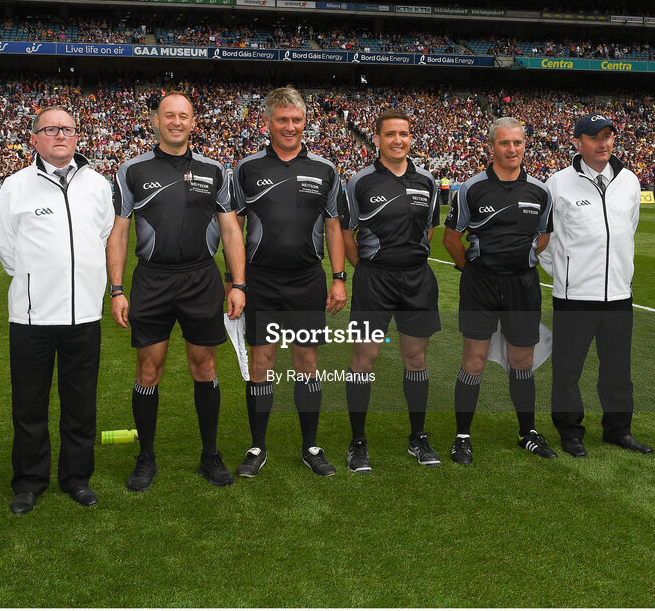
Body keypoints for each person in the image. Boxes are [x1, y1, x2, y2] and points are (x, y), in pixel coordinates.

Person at [107, 91, 246, 490]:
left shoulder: (215, 169)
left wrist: (238, 283)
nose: (176, 122)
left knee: (205, 366)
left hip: (201, 278)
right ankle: (145, 457)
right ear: (155, 120)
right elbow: (119, 231)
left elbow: (232, 228)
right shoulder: (131, 169)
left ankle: (210, 455)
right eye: (169, 115)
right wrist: (117, 289)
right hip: (152, 280)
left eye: (183, 116)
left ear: (192, 122)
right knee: (148, 368)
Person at [0, 106, 114, 514]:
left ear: (77, 135)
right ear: (34, 138)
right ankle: (29, 481)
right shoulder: (14, 186)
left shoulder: (98, 185)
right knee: (30, 403)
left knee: (80, 402)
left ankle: (76, 477)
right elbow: (7, 251)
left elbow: (101, 238)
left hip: (83, 315)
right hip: (31, 316)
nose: (60, 134)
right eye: (50, 129)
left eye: (67, 128)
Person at [230, 87, 347, 478]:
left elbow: (333, 226)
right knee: (261, 362)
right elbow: (234, 229)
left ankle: (311, 446)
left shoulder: (325, 169)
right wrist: (238, 282)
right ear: (268, 123)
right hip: (261, 280)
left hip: (307, 280)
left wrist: (339, 278)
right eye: (282, 119)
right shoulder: (246, 169)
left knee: (307, 362)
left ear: (304, 122)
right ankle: (257, 446)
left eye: (296, 120)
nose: (290, 126)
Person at [443, 117, 555, 461]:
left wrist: (522, 259)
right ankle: (462, 436)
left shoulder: (540, 191)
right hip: (481, 285)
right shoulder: (471, 189)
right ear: (491, 147)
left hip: (522, 285)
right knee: (473, 360)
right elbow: (451, 239)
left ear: (525, 145)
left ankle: (528, 432)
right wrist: (473, 268)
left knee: (522, 359)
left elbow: (544, 235)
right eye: (504, 143)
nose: (512, 149)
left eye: (518, 143)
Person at [540, 114, 652, 458]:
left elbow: (627, 230)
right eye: (594, 137)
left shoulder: (629, 181)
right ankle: (570, 432)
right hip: (575, 295)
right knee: (568, 371)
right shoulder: (557, 183)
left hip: (618, 294)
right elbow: (544, 241)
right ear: (578, 143)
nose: (603, 143)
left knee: (618, 370)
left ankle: (619, 431)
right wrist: (566, 274)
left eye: (608, 136)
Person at [340, 109, 442, 472]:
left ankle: (418, 437)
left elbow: (429, 231)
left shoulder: (428, 181)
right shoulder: (359, 181)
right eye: (390, 134)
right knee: (363, 360)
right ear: (377, 138)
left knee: (416, 359)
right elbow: (346, 236)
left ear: (410, 137)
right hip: (374, 281)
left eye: (404, 133)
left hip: (416, 279)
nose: (398, 140)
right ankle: (358, 442)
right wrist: (367, 270)